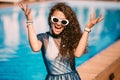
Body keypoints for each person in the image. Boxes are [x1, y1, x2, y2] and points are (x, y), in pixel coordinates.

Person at [18, 2, 103, 80]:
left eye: (63, 21)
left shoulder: (70, 38)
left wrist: (87, 29)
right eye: (55, 19)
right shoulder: (44, 38)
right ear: (50, 20)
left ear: (66, 25)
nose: (58, 23)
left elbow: (78, 53)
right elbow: (35, 48)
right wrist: (29, 21)